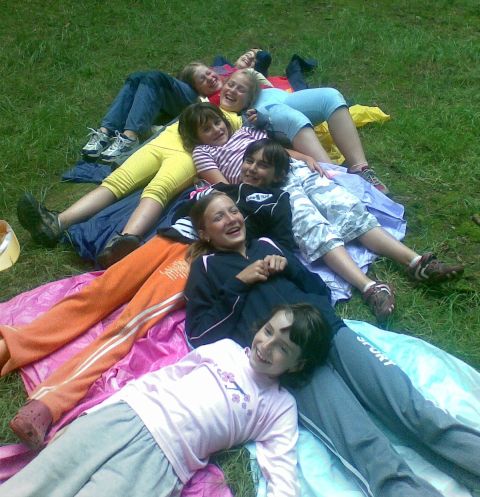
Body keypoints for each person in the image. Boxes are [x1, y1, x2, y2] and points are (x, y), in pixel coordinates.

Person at [183, 191, 480, 497]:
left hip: (332, 334)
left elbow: (319, 290)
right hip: (293, 365)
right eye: (218, 217)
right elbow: (199, 335)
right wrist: (238, 284)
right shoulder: (205, 269)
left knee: (412, 408)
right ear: (204, 233)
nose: (231, 219)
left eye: (233, 211)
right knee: (364, 444)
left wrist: (289, 267)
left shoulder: (267, 245)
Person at [0, 304, 330, 497]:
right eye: (269, 331)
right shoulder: (226, 349)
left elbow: (282, 468)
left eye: (283, 348)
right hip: (126, 416)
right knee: (41, 478)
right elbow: (166, 376)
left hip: (164, 461)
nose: (267, 346)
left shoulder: (278, 406)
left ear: (297, 365)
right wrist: (103, 409)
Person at [179, 104, 464, 320]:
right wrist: (250, 185)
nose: (216, 129)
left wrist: (304, 157)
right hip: (265, 188)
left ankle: (416, 263)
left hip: (292, 170)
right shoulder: (204, 153)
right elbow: (225, 186)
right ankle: (370, 288)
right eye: (207, 129)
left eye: (217, 122)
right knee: (311, 226)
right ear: (196, 137)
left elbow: (277, 151)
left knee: (346, 208)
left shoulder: (245, 131)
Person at [16, 70, 260, 267]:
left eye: (241, 90)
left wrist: (259, 113)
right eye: (231, 84)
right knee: (117, 181)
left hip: (189, 155)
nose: (233, 90)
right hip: (164, 141)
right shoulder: (204, 99)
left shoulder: (238, 120)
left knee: (158, 189)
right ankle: (55, 223)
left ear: (248, 101)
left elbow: (260, 125)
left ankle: (124, 241)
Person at [81, 49, 270, 163]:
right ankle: (105, 132)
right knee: (137, 77)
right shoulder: (219, 76)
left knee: (153, 77)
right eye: (203, 78)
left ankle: (130, 136)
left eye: (209, 73)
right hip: (196, 99)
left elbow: (261, 65)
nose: (210, 77)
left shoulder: (232, 75)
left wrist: (251, 57)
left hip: (199, 104)